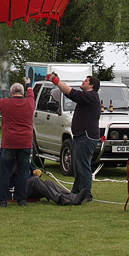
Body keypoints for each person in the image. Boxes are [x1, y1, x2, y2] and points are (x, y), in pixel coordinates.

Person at [47, 71, 101, 202]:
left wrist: (56, 81)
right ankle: (76, 191)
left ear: (92, 86)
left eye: (86, 81)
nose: (83, 82)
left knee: (83, 165)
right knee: (78, 165)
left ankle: (87, 194)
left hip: (86, 136)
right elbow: (68, 93)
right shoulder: (86, 96)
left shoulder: (91, 96)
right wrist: (59, 82)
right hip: (80, 135)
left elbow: (73, 93)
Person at [0, 79, 36, 207]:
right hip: (25, 142)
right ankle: (21, 199)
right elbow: (31, 94)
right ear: (22, 93)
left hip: (9, 142)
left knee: (5, 171)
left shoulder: (6, 103)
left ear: (11, 93)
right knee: (23, 171)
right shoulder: (30, 103)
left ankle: (2, 199)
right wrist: (28, 84)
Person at [0, 150, 89, 205]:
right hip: (16, 190)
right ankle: (60, 199)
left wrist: (34, 170)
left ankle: (72, 198)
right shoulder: (2, 160)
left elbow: (30, 168)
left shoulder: (21, 159)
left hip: (29, 186)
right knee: (35, 181)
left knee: (48, 182)